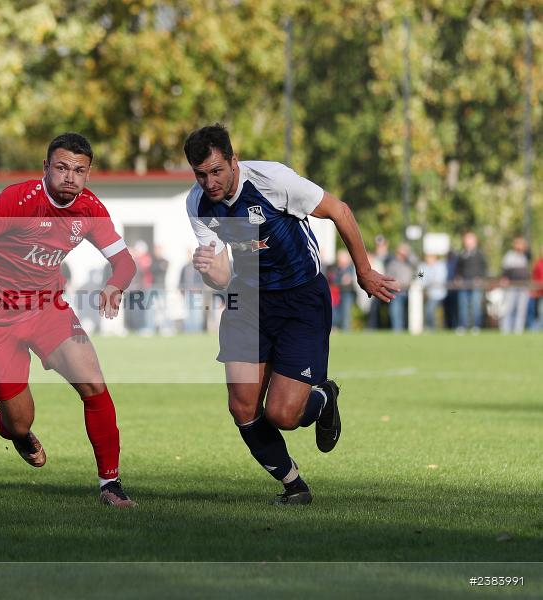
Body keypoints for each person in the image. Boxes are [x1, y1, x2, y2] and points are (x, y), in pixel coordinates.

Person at [183, 124, 397, 505]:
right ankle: (294, 485)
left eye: (217, 171)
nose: (210, 182)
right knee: (243, 407)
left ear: (234, 160)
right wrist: (207, 270)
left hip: (301, 299)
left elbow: (340, 211)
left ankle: (322, 398)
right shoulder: (197, 204)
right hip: (247, 301)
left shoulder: (273, 180)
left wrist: (364, 272)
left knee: (283, 414)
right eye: (201, 174)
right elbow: (221, 276)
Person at [0, 133, 138, 507]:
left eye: (79, 170)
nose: (70, 177)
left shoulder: (90, 209)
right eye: (61, 168)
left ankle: (110, 485)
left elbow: (125, 261)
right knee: (20, 422)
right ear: (46, 168)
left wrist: (116, 285)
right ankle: (10, 427)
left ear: (88, 175)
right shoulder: (19, 200)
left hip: (47, 309)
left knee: (93, 384)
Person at [454, 231, 487, 333]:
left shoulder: (480, 254)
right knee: (463, 306)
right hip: (464, 284)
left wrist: (480, 278)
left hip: (476, 284)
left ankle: (476, 326)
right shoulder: (462, 254)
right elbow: (458, 268)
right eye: (466, 239)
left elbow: (484, 268)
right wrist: (458, 277)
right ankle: (462, 326)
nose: (468, 242)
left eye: (470, 239)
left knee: (475, 306)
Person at [499, 236, 530, 334]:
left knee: (521, 309)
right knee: (509, 307)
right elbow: (505, 270)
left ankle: (518, 330)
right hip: (512, 285)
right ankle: (506, 329)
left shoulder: (526, 256)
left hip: (523, 286)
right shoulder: (510, 255)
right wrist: (505, 279)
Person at [386, 243, 415, 332]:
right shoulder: (392, 264)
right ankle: (397, 331)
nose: (401, 255)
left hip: (412, 292)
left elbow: (420, 274)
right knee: (395, 312)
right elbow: (387, 277)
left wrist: (413, 282)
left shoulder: (412, 263)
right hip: (397, 292)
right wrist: (394, 283)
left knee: (412, 314)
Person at [418, 253, 448, 330]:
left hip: (439, 294)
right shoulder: (422, 266)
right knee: (428, 311)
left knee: (429, 310)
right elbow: (420, 279)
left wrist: (427, 282)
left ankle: (431, 328)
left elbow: (439, 279)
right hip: (427, 294)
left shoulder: (440, 265)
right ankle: (430, 328)